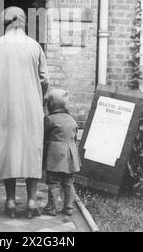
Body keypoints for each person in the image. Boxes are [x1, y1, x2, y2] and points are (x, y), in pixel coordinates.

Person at [0, 7, 49, 218]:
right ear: (23, 22)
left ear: (5, 23)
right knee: (31, 151)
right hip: (30, 108)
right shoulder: (34, 46)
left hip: (3, 109)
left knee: (7, 150)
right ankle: (31, 201)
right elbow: (44, 79)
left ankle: (10, 201)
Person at [43, 89, 81, 217]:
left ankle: (51, 207)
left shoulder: (49, 119)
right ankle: (68, 207)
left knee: (53, 181)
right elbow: (74, 139)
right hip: (70, 156)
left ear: (51, 104)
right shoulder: (72, 120)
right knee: (68, 182)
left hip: (55, 156)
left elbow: (44, 137)